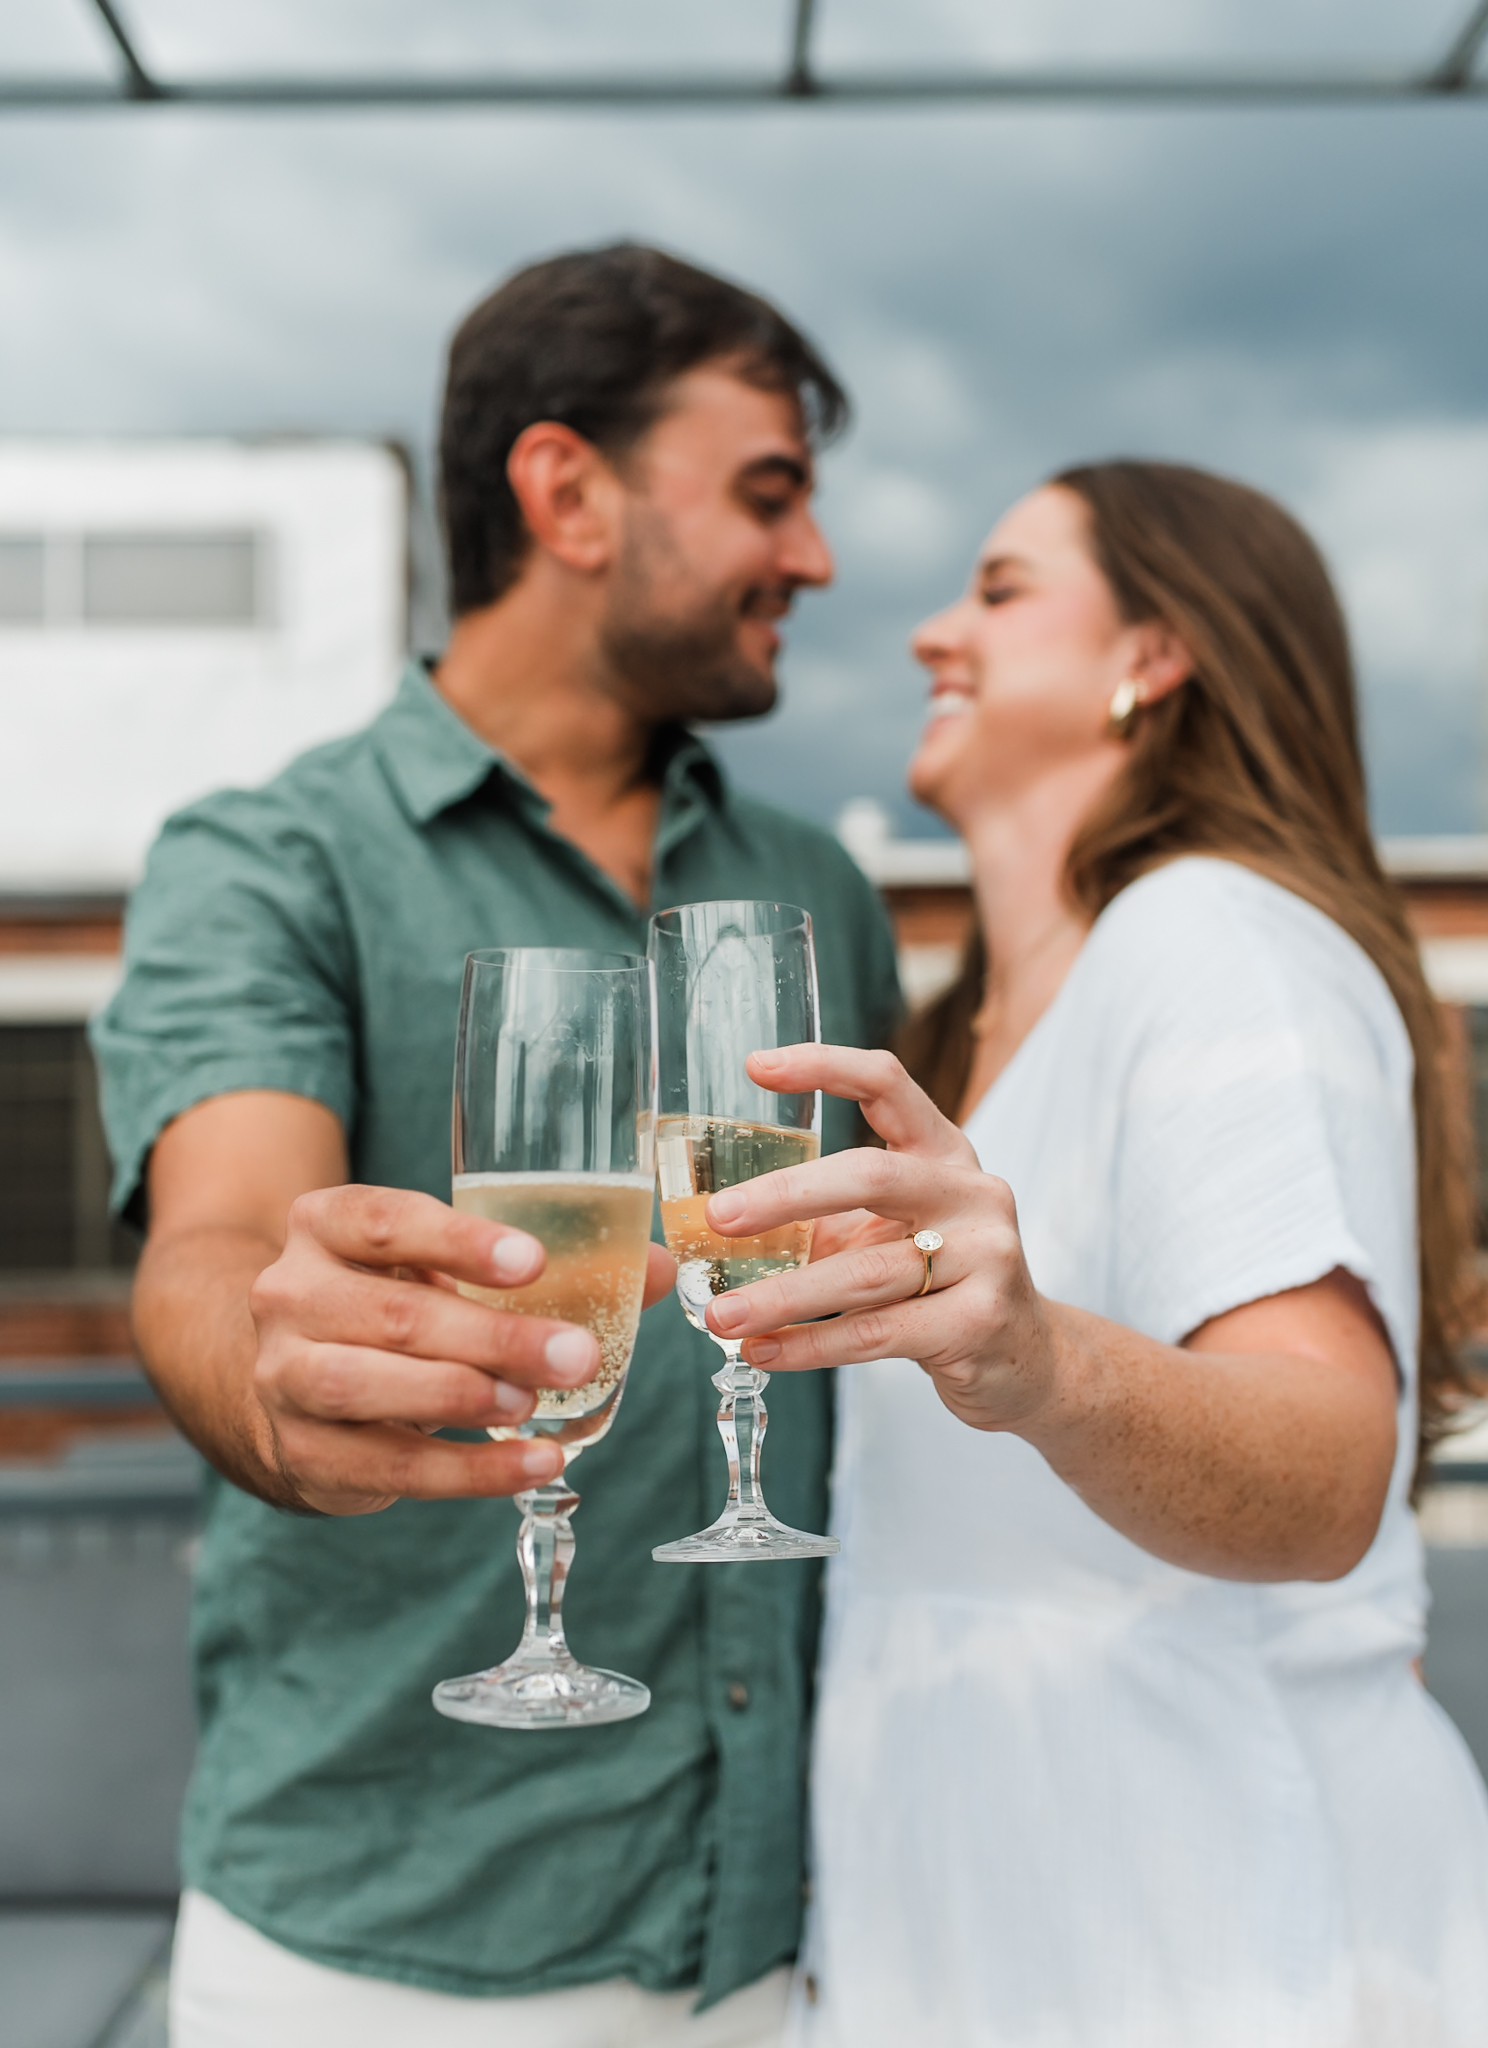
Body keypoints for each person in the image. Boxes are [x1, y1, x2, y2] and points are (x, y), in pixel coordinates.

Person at [90, 243, 900, 2048]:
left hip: (789, 1935)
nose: (816, 560)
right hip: (386, 1956)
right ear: (564, 493)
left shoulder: (816, 890)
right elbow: (218, 1249)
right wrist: (266, 1367)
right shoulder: (266, 861)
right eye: (768, 493)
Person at [698, 462, 1488, 2046]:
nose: (932, 629)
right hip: (990, 1900)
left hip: (1206, 1917)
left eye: (999, 589)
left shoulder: (1212, 942)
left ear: (1155, 653)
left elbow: (1333, 1467)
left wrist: (1037, 1359)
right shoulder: (963, 1031)